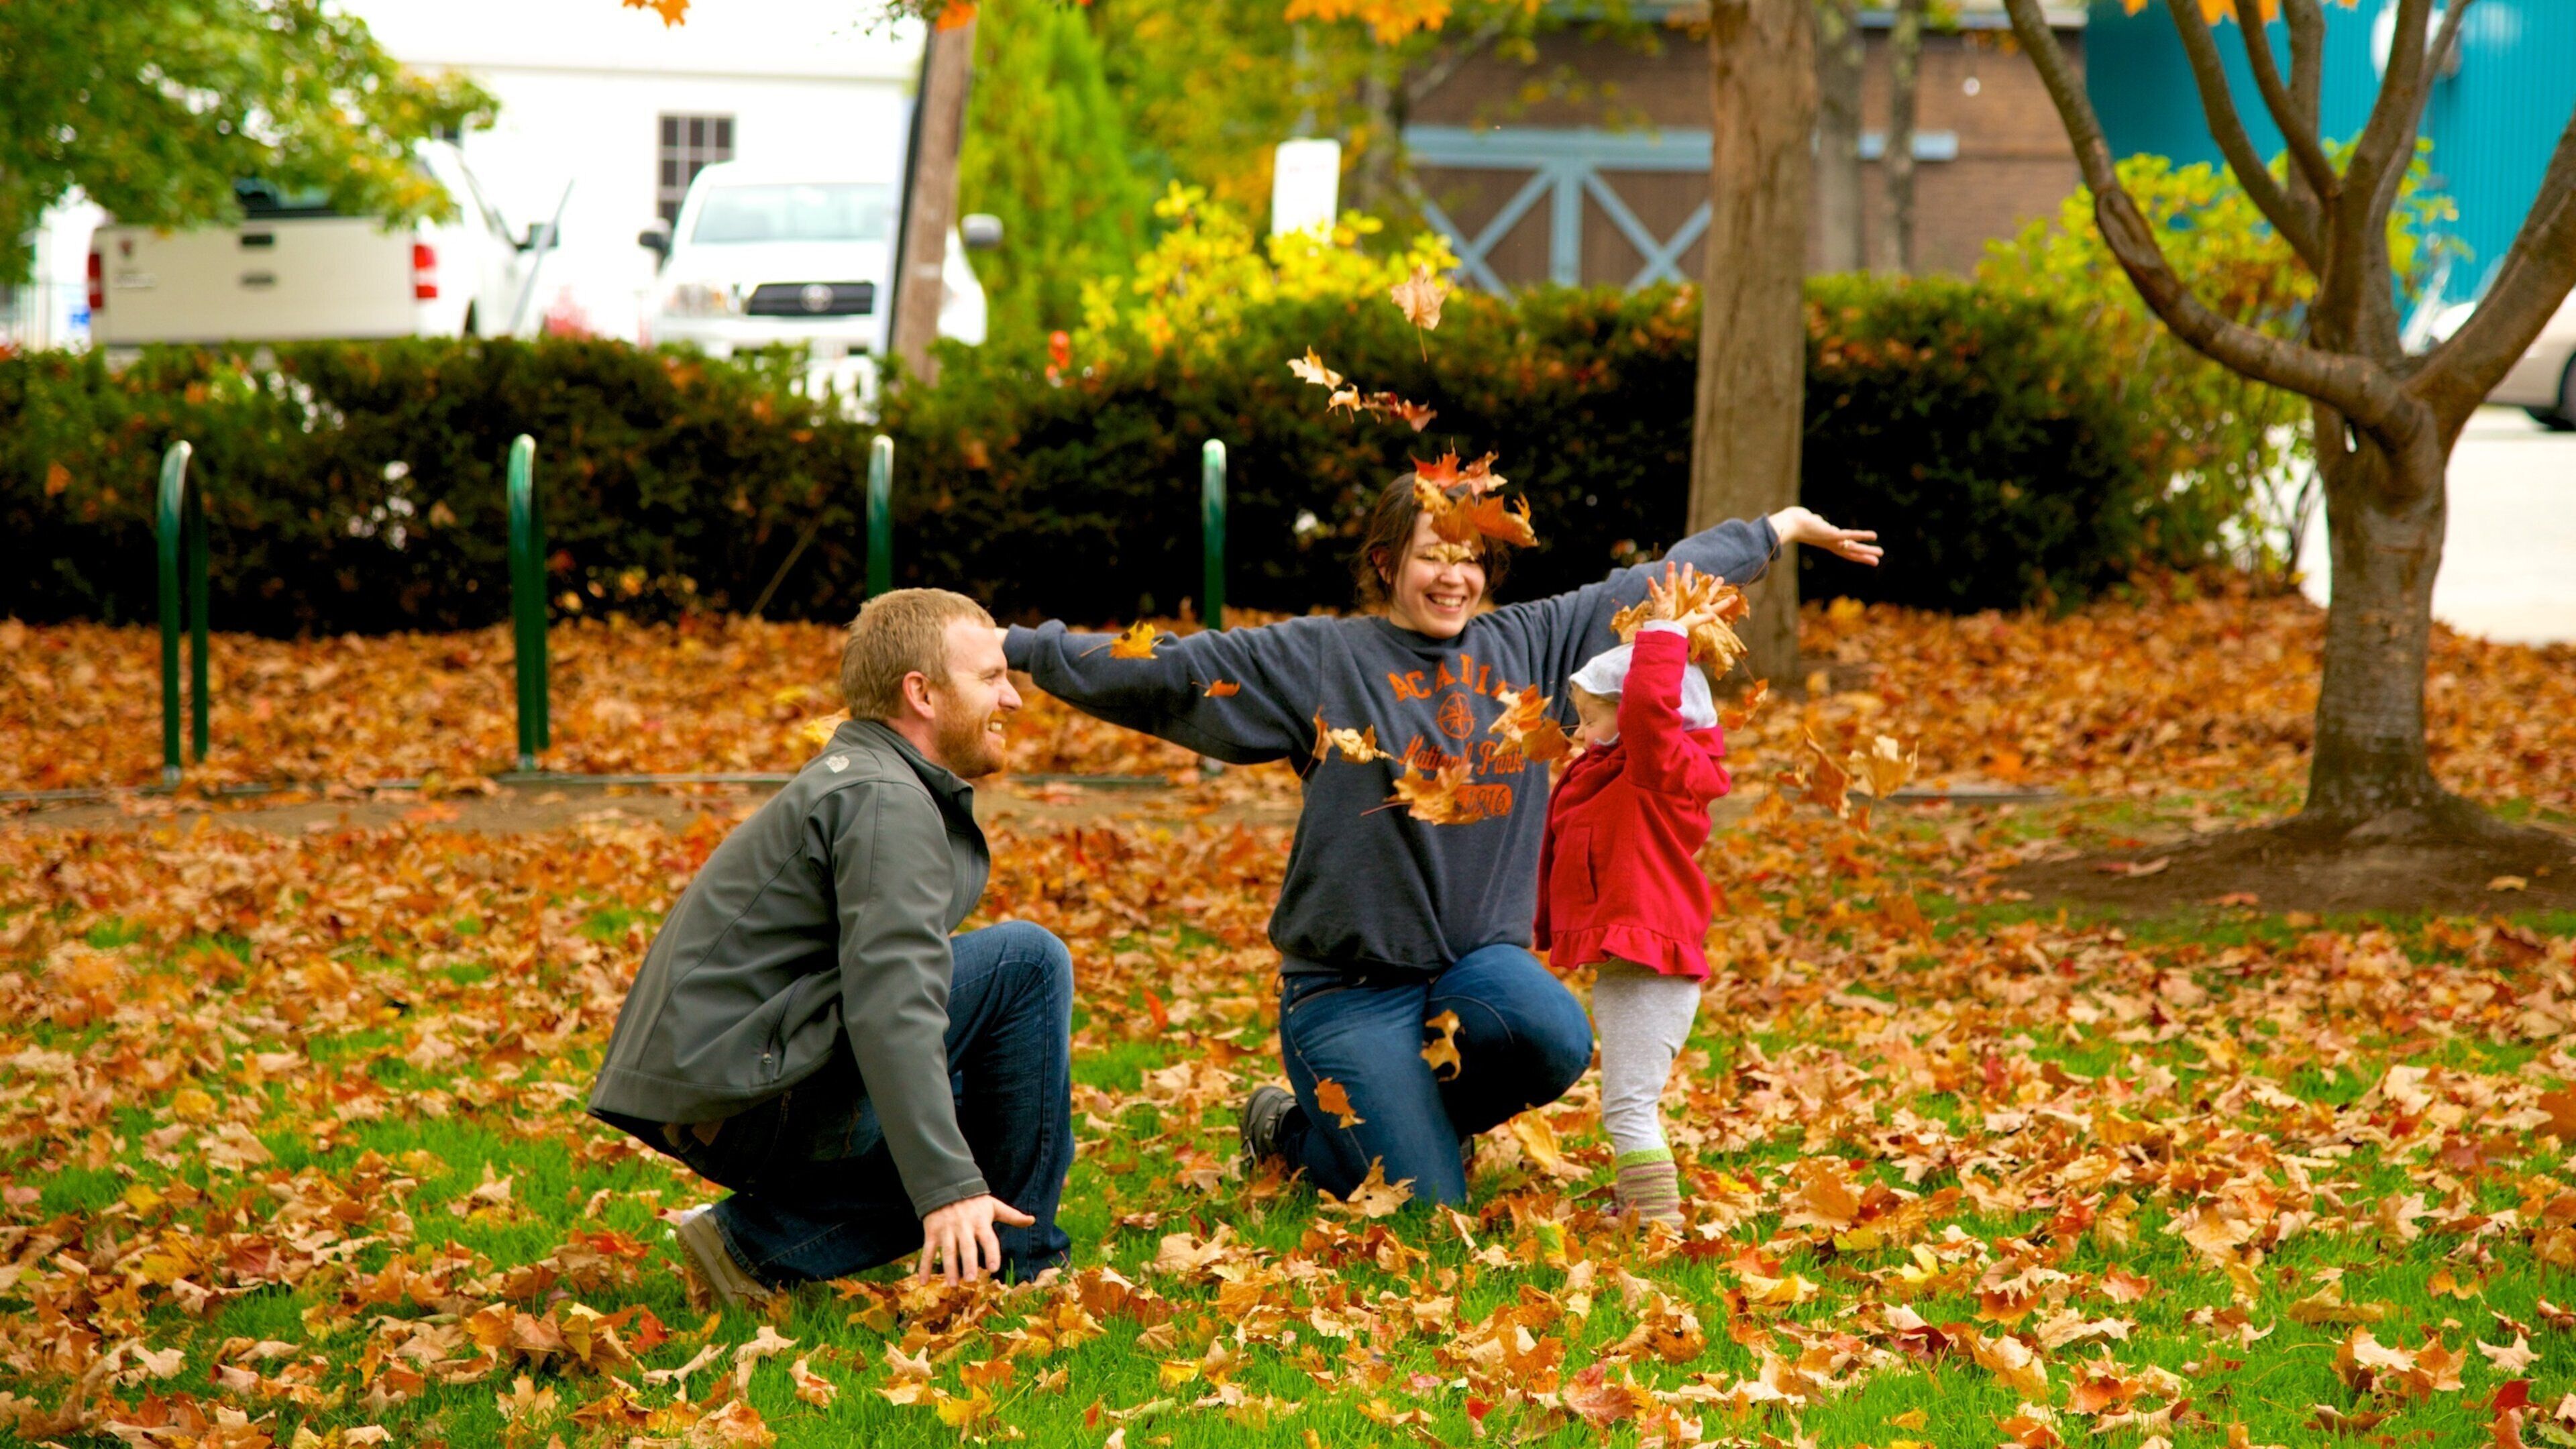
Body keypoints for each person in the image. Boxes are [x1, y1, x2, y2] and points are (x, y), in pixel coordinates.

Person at [1002, 478, 1878, 1205]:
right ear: (1387, 563)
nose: (1453, 576)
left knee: (1555, 1036)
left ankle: (1403, 1115)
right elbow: (1171, 669)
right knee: (1423, 1206)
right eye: (1432, 554)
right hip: (1346, 990)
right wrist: (1019, 649)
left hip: (1472, 975)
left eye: (1468, 557)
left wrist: (1778, 530)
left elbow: (1656, 585)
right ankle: (1291, 1129)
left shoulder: (1529, 646)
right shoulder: (1325, 660)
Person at [588, 588, 1074, 1303]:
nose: (1014, 700)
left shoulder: (871, 780)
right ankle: (1025, 1270)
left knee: (996, 1084)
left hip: (733, 1089)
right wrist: (947, 1185)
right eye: (992, 678)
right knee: (1027, 964)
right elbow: (892, 1001)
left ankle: (750, 1245)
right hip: (752, 1089)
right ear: (923, 694)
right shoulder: (886, 799)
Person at [1534, 566, 1734, 1225]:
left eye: (1594, 717)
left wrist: (1666, 633)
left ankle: (1659, 1223)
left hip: (1655, 965)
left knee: (1628, 1104)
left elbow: (1651, 710)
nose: (1582, 730)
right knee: (1624, 1100)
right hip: (1632, 962)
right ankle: (1639, 1207)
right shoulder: (1613, 773)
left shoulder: (1659, 771)